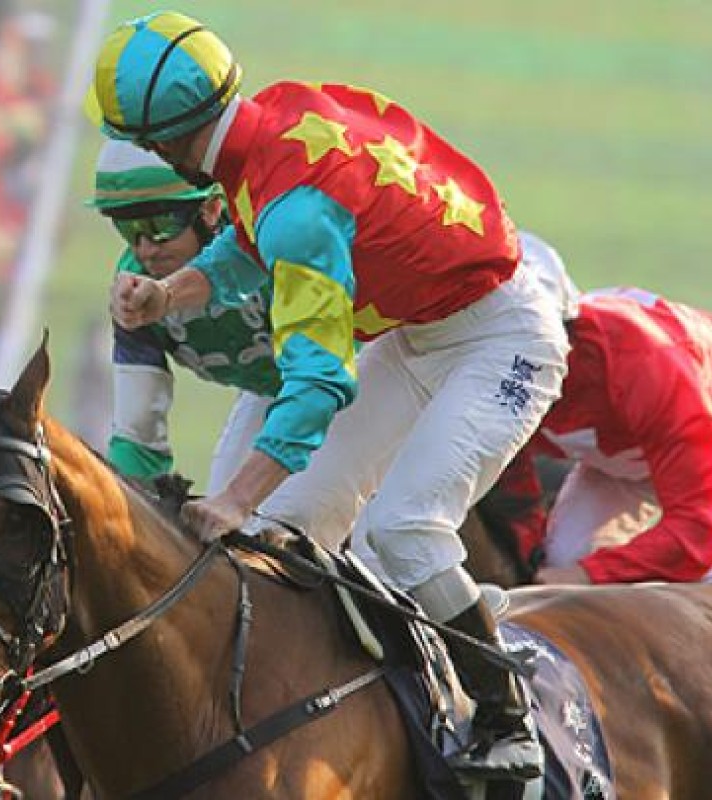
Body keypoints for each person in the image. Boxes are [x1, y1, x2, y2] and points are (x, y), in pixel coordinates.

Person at [94, 11, 577, 781]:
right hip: (422, 328)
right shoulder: (279, 115)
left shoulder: (293, 211)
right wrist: (173, 294)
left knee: (403, 529)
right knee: (282, 529)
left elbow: (318, 382)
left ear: (164, 143)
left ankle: (504, 714)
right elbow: (254, 233)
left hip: (501, 337)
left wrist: (234, 498)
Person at [93, 139, 323, 532]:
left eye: (160, 226)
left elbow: (323, 378)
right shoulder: (133, 291)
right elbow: (138, 437)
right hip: (279, 392)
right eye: (128, 228)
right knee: (221, 535)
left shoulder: (267, 244)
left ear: (211, 209)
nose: (145, 249)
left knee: (297, 521)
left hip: (345, 373)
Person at [481, 283, 712, 586]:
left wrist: (589, 574)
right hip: (624, 461)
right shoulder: (492, 375)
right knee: (562, 561)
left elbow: (701, 527)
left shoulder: (643, 364)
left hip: (693, 447)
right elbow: (513, 483)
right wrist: (532, 560)